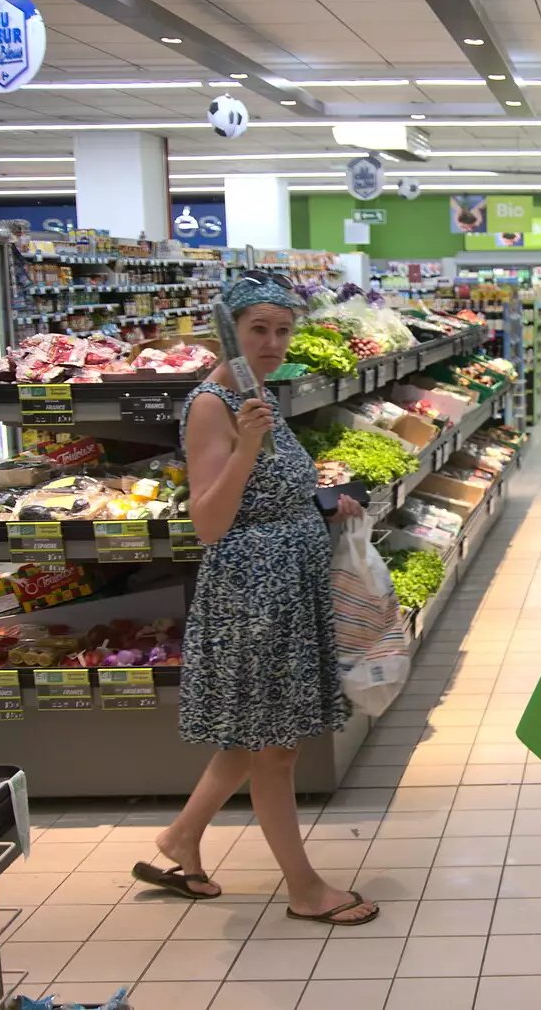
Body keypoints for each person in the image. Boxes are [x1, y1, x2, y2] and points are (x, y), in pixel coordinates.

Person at [130, 274, 378, 926]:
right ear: (231, 330)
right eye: (259, 329)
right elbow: (210, 524)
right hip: (253, 594)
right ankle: (303, 888)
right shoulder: (213, 404)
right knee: (275, 748)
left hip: (289, 579)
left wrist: (324, 507)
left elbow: (273, 491)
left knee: (253, 732)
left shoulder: (255, 389)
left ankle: (181, 838)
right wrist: (243, 446)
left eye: (283, 330)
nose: (272, 342)